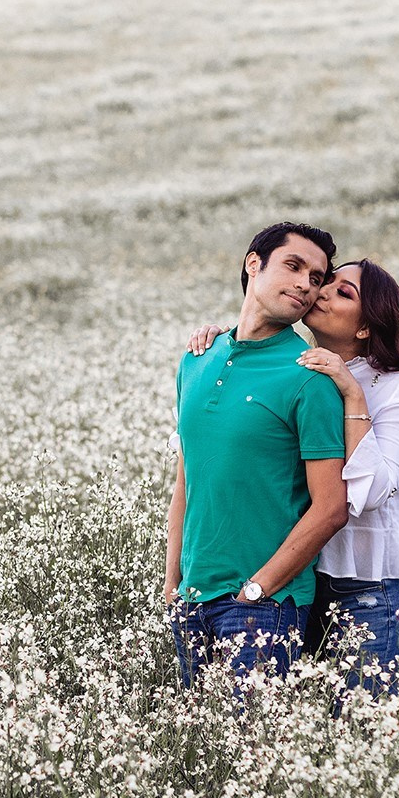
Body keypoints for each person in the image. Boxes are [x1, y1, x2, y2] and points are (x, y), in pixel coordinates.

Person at [185, 258, 399, 699]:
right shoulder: (301, 368)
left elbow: (372, 490)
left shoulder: (397, 388)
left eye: (343, 292)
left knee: (360, 726)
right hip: (303, 581)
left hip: (371, 588)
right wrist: (228, 345)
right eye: (326, 282)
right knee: (299, 722)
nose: (320, 292)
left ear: (365, 327)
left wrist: (352, 393)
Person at [167, 223, 351, 692]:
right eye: (294, 266)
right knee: (199, 739)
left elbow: (331, 507)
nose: (306, 285)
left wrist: (258, 589)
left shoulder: (309, 377)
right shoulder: (197, 359)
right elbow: (186, 483)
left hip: (263, 608)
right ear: (254, 264)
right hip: (192, 599)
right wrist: (172, 586)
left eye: (316, 278)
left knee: (252, 740)